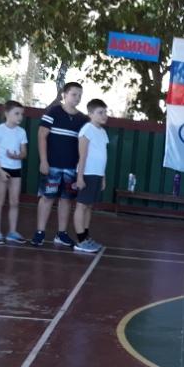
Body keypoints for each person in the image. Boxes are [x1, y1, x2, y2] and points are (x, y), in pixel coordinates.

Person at [32, 82, 86, 248]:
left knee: (66, 200)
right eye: (74, 94)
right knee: (47, 197)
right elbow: (42, 135)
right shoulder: (53, 112)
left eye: (80, 95)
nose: (77, 98)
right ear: (64, 95)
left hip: (71, 168)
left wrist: (80, 170)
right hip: (52, 166)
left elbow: (84, 145)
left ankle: (61, 234)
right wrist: (44, 161)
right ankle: (40, 232)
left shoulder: (83, 119)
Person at [0, 100, 28, 245]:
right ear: (6, 114)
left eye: (21, 114)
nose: (20, 117)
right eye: (16, 113)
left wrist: (16, 156)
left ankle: (12, 232)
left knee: (14, 202)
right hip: (2, 169)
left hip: (16, 169)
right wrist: (0, 171)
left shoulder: (21, 132)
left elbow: (24, 153)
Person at [73, 99, 108, 253]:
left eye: (105, 112)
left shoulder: (103, 132)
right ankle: (80, 240)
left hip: (97, 175)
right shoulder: (87, 129)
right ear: (90, 114)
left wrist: (103, 177)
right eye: (100, 112)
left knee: (89, 206)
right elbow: (83, 156)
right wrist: (80, 177)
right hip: (86, 173)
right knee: (81, 205)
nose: (104, 115)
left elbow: (103, 156)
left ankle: (86, 237)